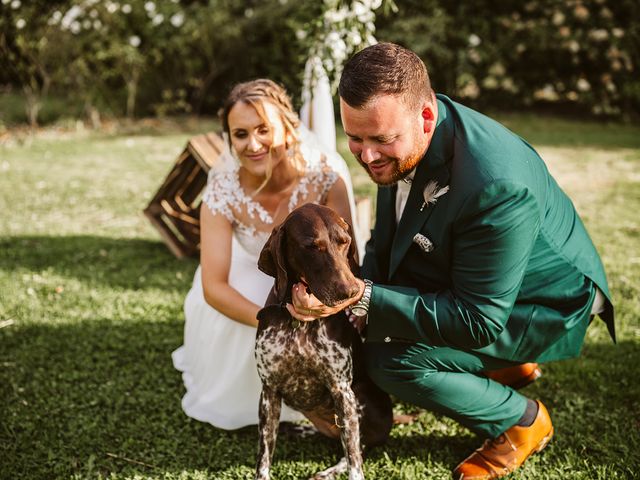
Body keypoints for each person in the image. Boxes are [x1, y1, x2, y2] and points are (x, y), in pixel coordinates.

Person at [288, 43, 615, 479]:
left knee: (391, 361)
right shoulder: (402, 137)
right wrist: (354, 299)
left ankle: (520, 421)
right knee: (378, 332)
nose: (366, 156)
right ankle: (499, 366)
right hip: (475, 279)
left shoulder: (495, 186)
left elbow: (479, 320)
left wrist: (362, 298)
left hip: (542, 300)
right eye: (355, 137)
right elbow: (387, 238)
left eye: (380, 140)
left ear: (425, 117)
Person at [172, 78, 358, 430]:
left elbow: (348, 258)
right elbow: (214, 285)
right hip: (244, 280)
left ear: (288, 127)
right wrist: (278, 317)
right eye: (240, 134)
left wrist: (322, 304)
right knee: (258, 293)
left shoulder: (325, 175)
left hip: (314, 273)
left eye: (263, 129)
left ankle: (318, 396)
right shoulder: (223, 189)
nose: (253, 144)